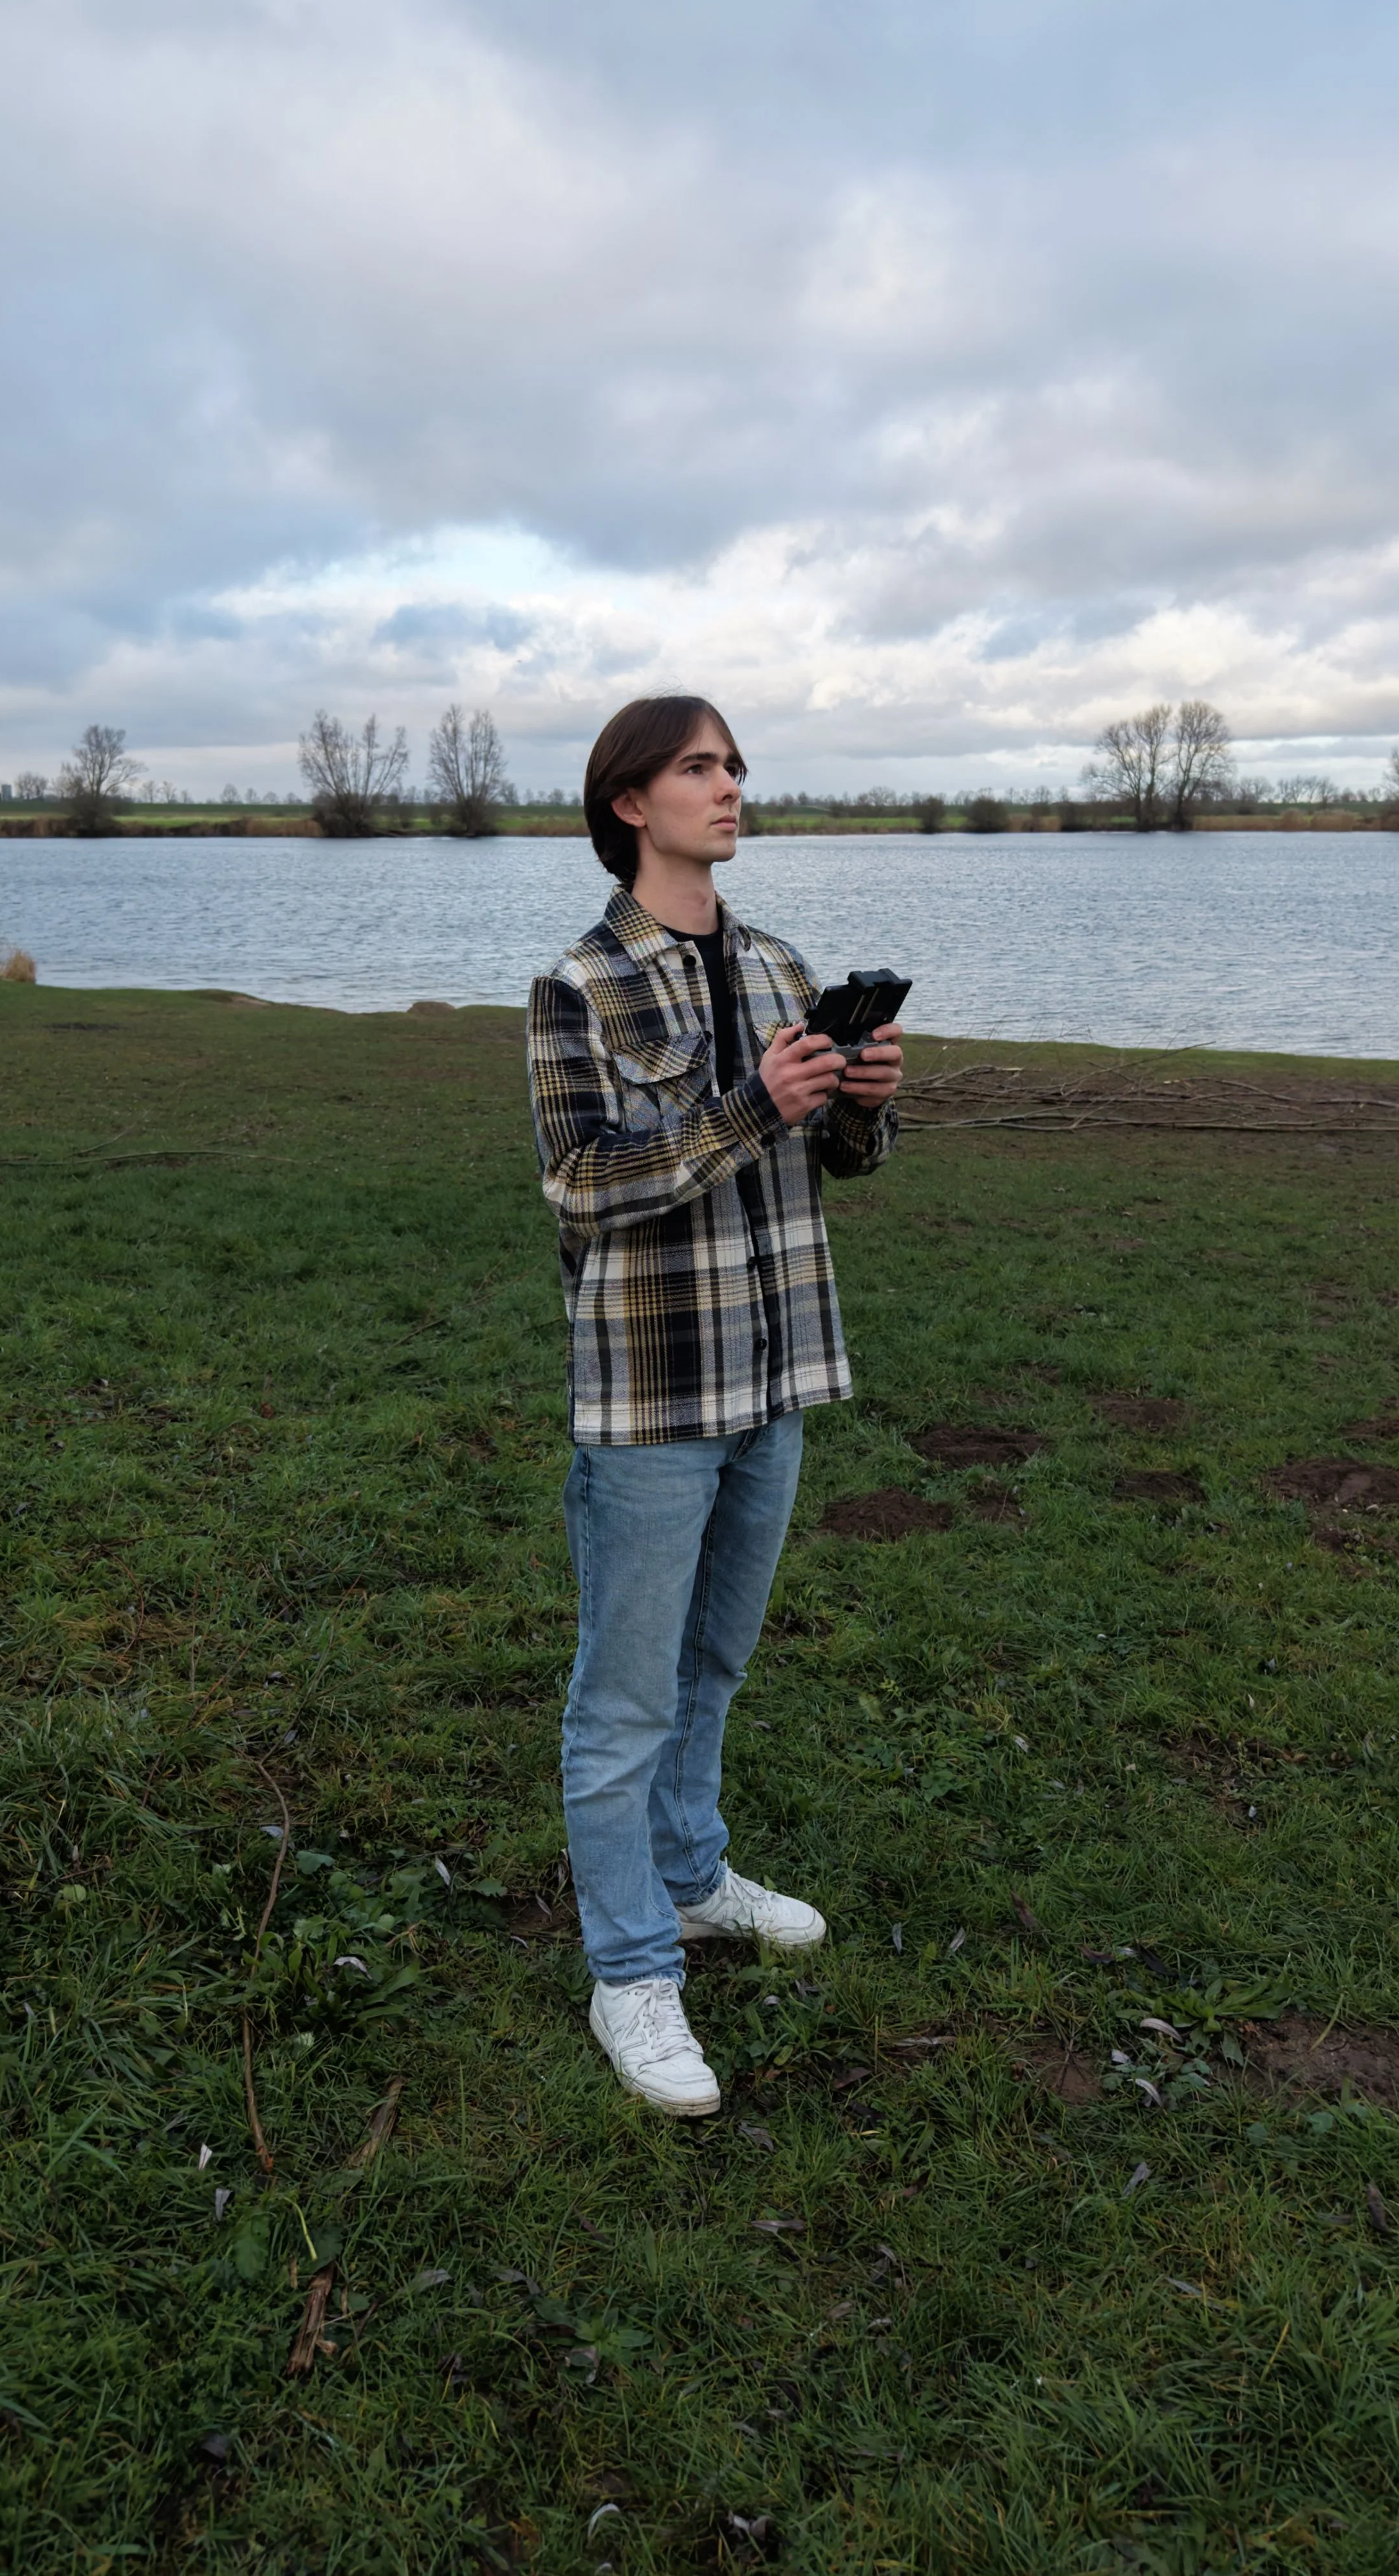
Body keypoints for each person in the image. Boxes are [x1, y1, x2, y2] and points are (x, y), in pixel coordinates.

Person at [526, 694, 903, 2115]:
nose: (730, 785)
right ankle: (629, 1968)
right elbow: (581, 1183)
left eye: (735, 764)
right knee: (622, 1700)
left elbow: (842, 1164)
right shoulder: (577, 985)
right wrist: (752, 1105)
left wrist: (859, 1099)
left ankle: (690, 1878)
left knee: (715, 1665)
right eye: (699, 766)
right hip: (650, 1399)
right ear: (630, 801)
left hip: (777, 1376)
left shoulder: (782, 965)